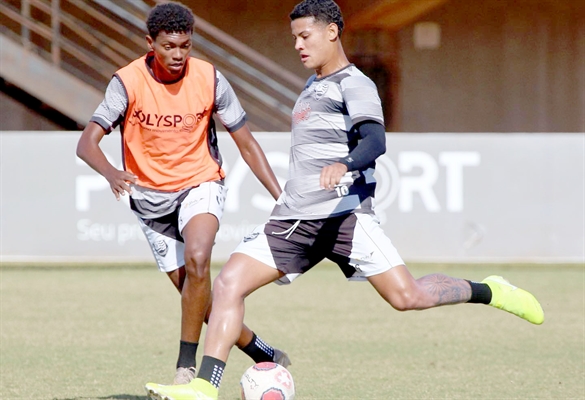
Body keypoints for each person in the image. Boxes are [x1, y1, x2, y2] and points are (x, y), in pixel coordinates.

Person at [144, 0, 545, 398]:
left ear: (332, 32)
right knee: (229, 283)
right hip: (294, 220)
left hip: (344, 218)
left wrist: (346, 164)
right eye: (294, 38)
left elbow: (375, 139)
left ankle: (491, 290)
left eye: (305, 36)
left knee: (408, 297)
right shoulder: (313, 83)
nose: (298, 45)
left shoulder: (354, 83)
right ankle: (203, 386)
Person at [76, 1, 291, 386]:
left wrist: (283, 197)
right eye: (169, 46)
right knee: (198, 299)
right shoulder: (126, 82)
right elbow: (87, 143)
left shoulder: (210, 79)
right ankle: (259, 350)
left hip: (200, 182)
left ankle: (185, 367)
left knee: (198, 258)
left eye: (185, 46)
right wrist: (110, 172)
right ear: (150, 43)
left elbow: (247, 144)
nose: (178, 55)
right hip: (149, 200)